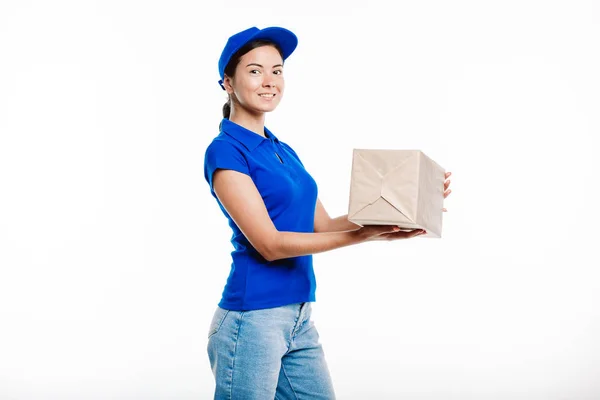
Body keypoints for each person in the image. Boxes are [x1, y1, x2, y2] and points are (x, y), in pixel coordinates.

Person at [203, 26, 452, 400]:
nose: (270, 81)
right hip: (252, 320)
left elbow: (322, 224)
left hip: (299, 316)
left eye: (278, 70)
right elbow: (270, 245)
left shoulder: (281, 150)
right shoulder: (225, 152)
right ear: (228, 82)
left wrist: (403, 205)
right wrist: (362, 235)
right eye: (255, 71)